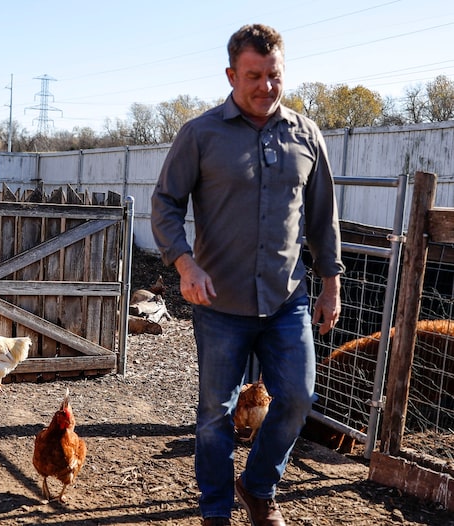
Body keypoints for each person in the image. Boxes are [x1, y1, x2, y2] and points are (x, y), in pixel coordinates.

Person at [151, 24, 344, 526]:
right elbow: (165, 204)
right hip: (220, 305)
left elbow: (323, 217)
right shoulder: (200, 134)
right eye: (253, 76)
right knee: (215, 415)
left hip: (287, 299)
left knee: (299, 397)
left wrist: (330, 283)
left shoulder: (306, 135)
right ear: (232, 74)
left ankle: (257, 486)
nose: (266, 87)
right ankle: (215, 511)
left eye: (274, 75)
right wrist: (184, 262)